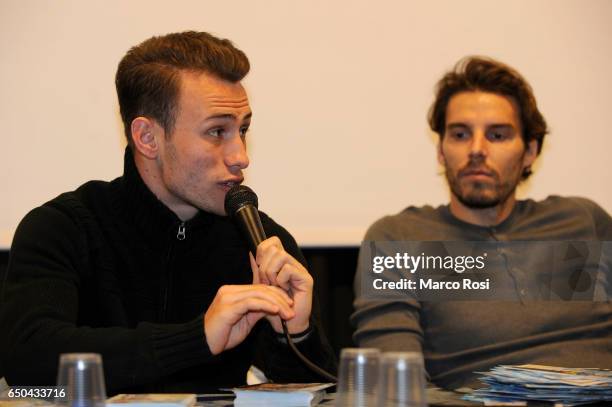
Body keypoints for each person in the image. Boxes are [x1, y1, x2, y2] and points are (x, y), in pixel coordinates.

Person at [0, 31, 335, 394]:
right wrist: (197, 338)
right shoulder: (63, 227)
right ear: (147, 138)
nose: (241, 156)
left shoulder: (261, 243)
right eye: (217, 131)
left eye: (243, 129)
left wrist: (296, 334)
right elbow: (27, 365)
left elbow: (324, 396)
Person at [351, 56, 612, 390]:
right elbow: (394, 383)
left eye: (498, 135)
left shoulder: (583, 221)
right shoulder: (399, 239)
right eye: (460, 134)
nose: (476, 150)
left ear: (530, 151)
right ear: (441, 151)